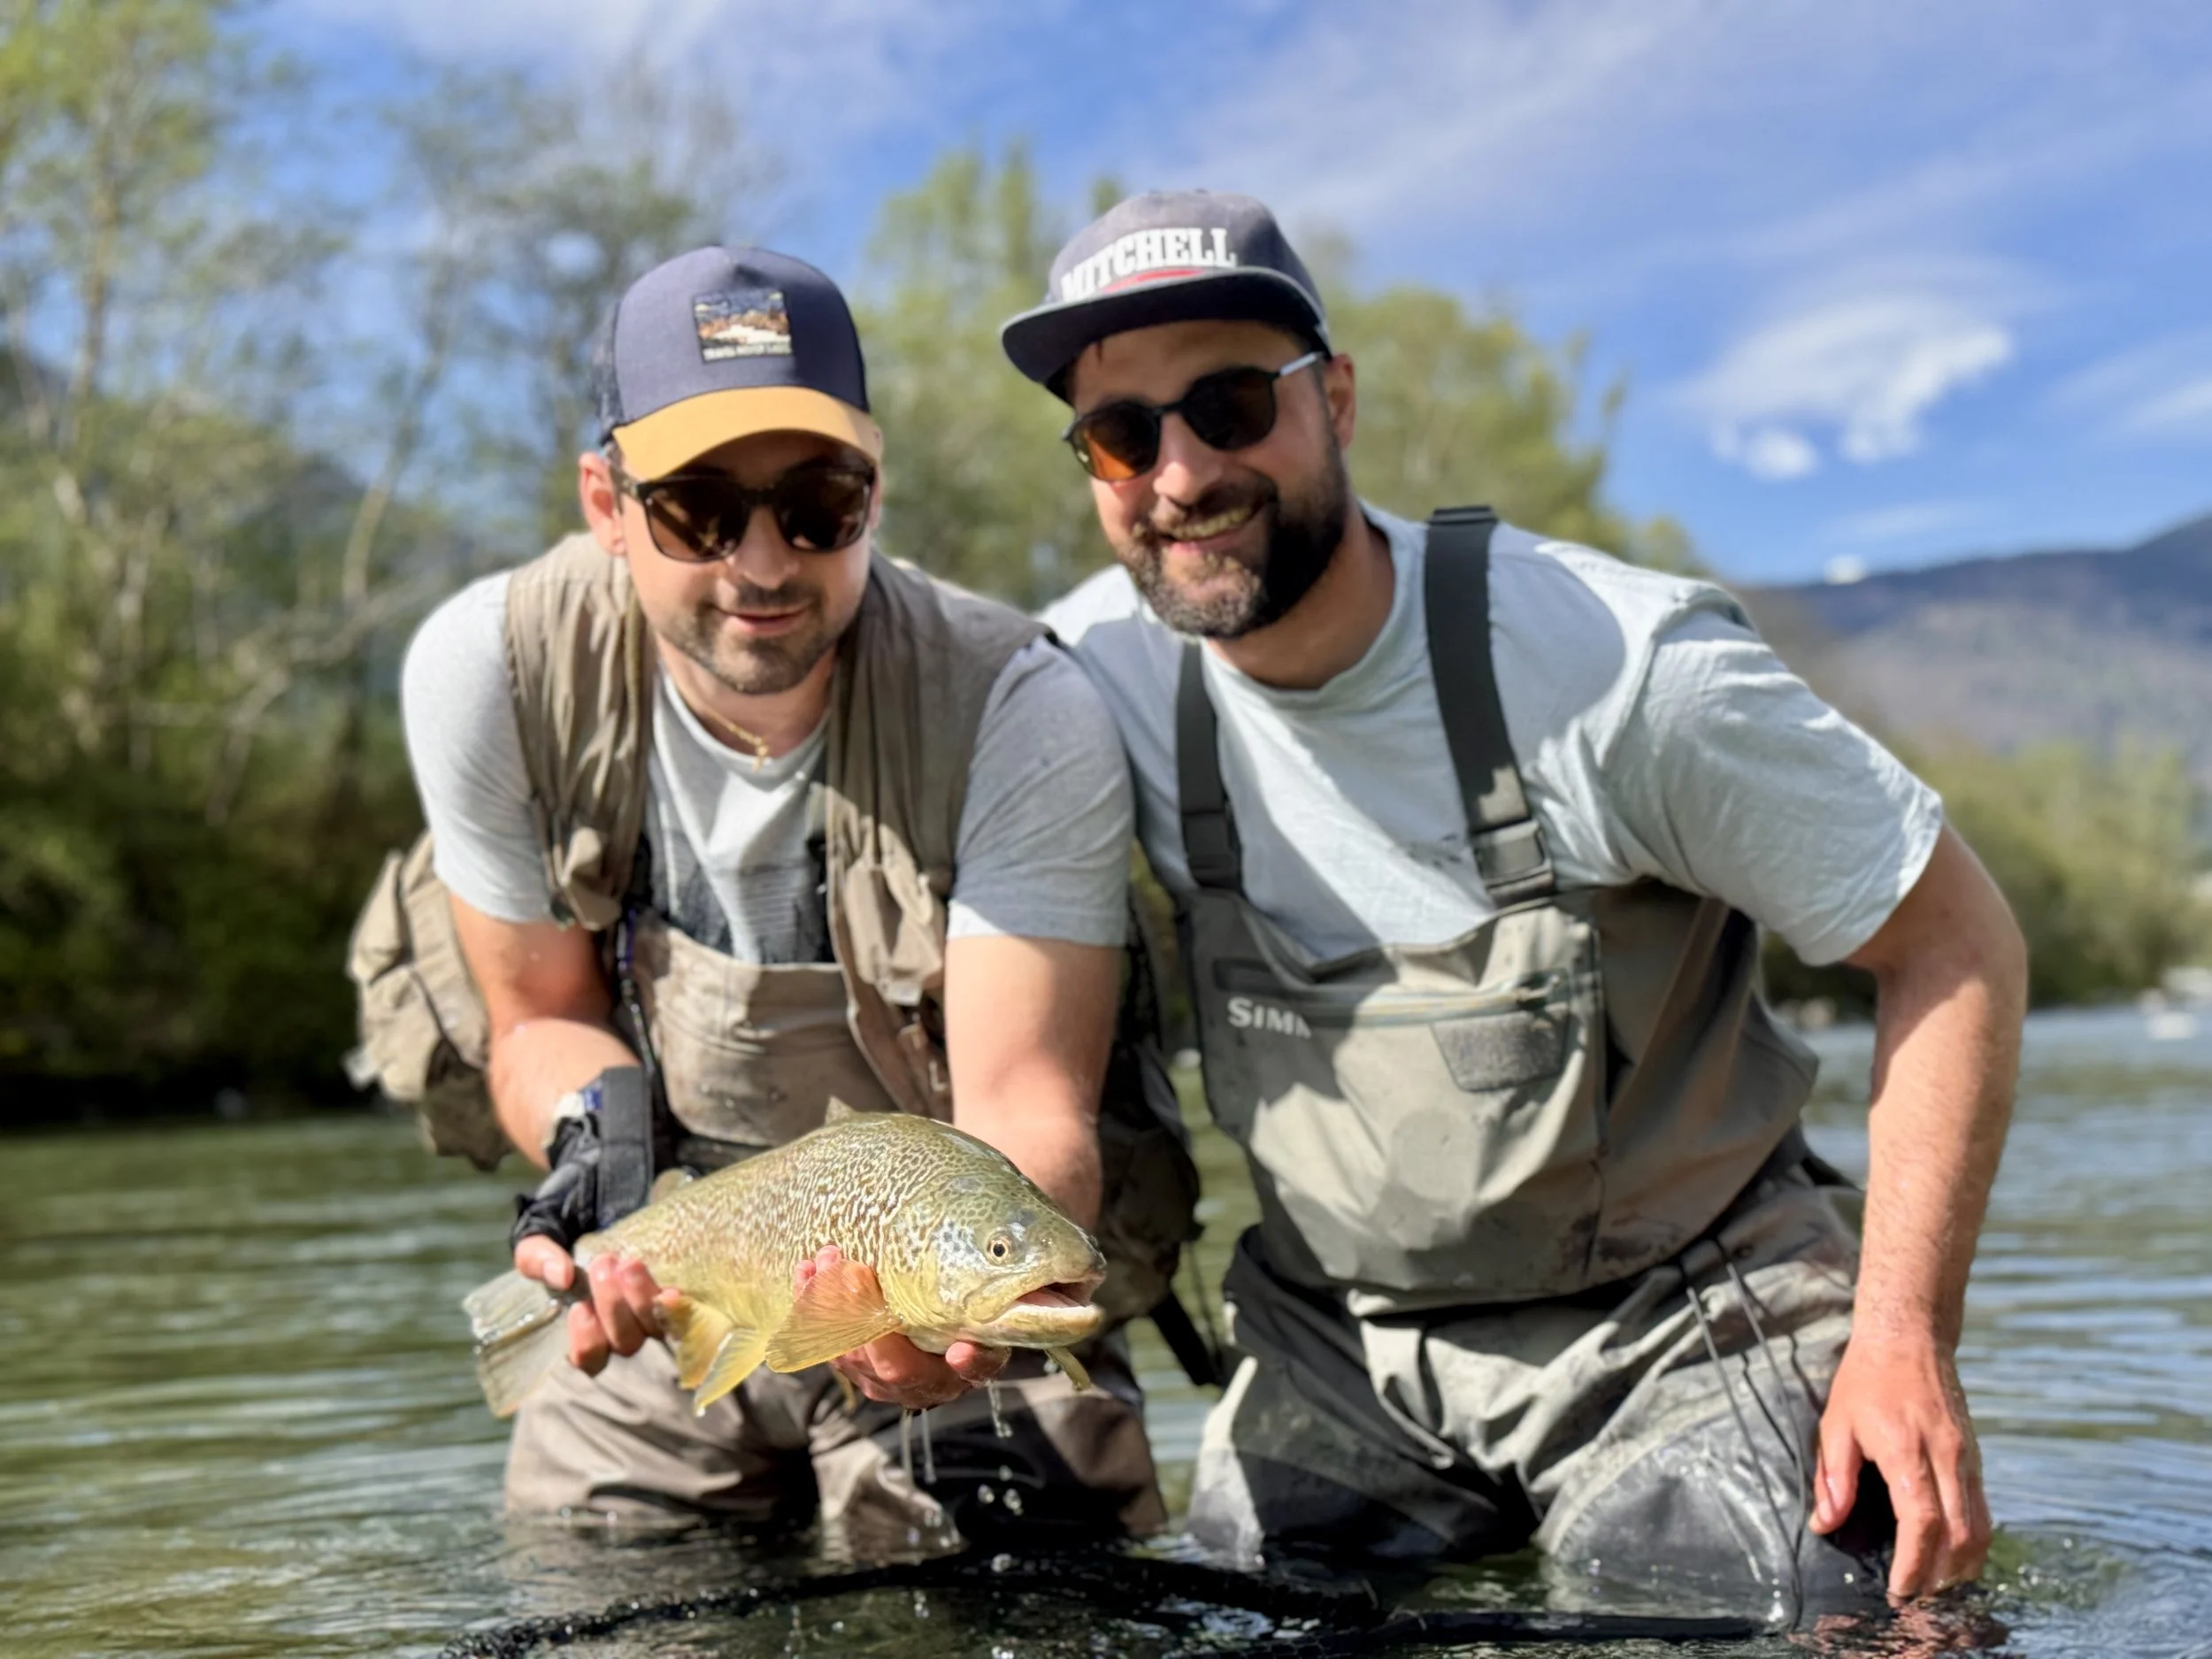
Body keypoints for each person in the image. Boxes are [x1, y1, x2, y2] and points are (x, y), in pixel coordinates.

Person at [1000, 191, 2026, 1620]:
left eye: (1230, 405)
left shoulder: (1621, 668)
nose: (1177, 475)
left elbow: (1957, 944)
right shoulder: (1075, 683)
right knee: (1230, 1626)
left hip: (1681, 1316)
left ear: (1336, 399)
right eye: (1121, 434)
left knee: (1846, 1612)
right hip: (1338, 1335)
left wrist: (1906, 1337)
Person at [376, 245, 1179, 1545]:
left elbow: (1028, 1099)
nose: (761, 562)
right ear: (605, 498)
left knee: (1045, 1586)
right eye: (697, 507)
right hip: (684, 1242)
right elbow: (532, 1017)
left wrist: (939, 1318)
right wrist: (599, 1180)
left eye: (816, 502)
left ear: (876, 488)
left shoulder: (1021, 706)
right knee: (594, 1592)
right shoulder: (492, 670)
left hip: (937, 1264)